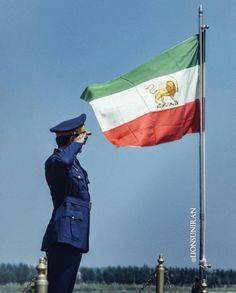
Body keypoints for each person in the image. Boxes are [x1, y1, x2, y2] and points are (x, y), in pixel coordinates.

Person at [41, 113, 92, 293]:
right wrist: (77, 144)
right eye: (82, 139)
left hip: (74, 236)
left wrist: (76, 145)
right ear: (73, 138)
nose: (84, 143)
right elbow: (64, 161)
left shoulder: (74, 164)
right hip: (64, 236)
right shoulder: (55, 161)